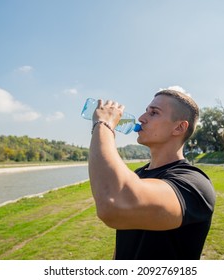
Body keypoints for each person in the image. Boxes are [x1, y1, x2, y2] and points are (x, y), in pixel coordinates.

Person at [88, 88, 216, 260]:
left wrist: (103, 125)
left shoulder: (193, 184)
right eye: (146, 110)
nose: (141, 118)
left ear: (179, 127)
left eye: (154, 112)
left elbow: (113, 203)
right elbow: (125, 242)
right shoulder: (138, 175)